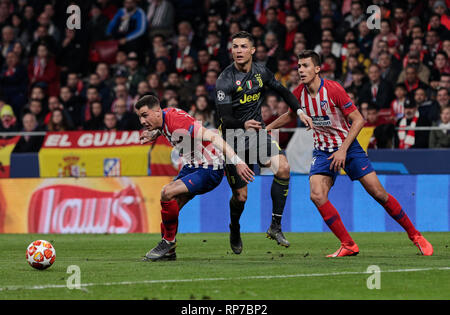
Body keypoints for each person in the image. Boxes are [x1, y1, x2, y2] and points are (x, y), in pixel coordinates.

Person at [266, 50, 433, 257]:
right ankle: (348, 244)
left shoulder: (334, 89)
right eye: (299, 66)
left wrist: (343, 150)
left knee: (378, 194)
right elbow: (291, 114)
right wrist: (267, 128)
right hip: (323, 151)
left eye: (306, 66)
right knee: (317, 194)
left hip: (348, 147)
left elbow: (359, 120)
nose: (301, 70)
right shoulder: (299, 92)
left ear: (317, 69)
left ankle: (415, 235)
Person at [214, 31, 313, 254]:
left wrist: (299, 111)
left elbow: (284, 91)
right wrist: (243, 124)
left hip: (257, 135)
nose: (238, 51)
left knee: (284, 168)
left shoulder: (261, 72)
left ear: (252, 50)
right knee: (241, 197)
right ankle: (235, 227)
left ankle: (275, 225)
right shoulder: (224, 80)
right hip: (233, 138)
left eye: (243, 47)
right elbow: (225, 119)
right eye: (235, 46)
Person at [136, 95, 254, 261]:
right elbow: (167, 129)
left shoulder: (177, 122)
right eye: (140, 117)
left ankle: (168, 242)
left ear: (156, 111)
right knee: (173, 205)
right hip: (193, 165)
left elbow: (214, 137)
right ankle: (169, 250)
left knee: (166, 192)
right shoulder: (164, 118)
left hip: (209, 168)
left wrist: (237, 162)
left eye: (144, 115)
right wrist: (155, 134)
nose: (142, 121)